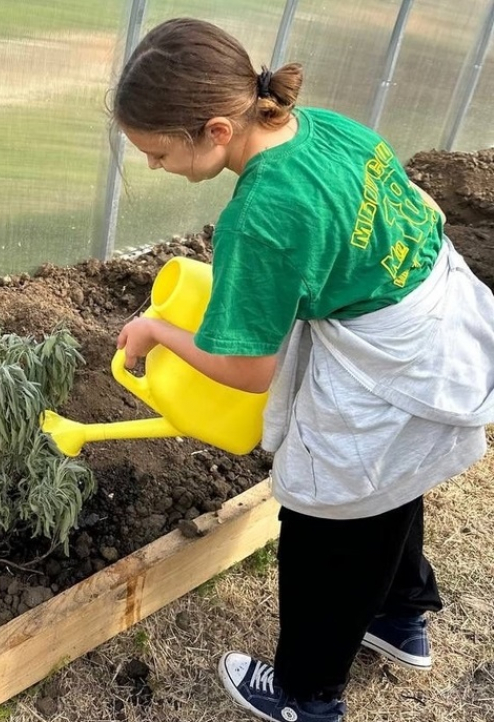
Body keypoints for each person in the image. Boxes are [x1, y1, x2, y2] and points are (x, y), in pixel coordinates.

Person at [112, 17, 494, 722]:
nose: (153, 168)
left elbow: (247, 370)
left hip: (393, 368)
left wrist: (157, 331)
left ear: (217, 131)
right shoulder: (326, 128)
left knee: (328, 523)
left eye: (158, 153)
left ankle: (307, 697)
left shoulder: (260, 216)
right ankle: (400, 620)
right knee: (388, 486)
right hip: (441, 315)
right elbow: (428, 209)